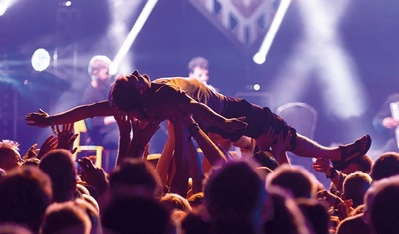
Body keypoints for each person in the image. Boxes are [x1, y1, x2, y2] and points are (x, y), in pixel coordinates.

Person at [25, 70, 371, 171]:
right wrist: (50, 119)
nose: (137, 72)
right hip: (214, 116)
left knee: (277, 134)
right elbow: (88, 110)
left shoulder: (156, 98)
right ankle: (335, 157)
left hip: (217, 112)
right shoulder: (147, 99)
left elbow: (199, 111)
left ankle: (336, 156)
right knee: (277, 135)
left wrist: (228, 124)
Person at [81, 55, 119, 151]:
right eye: (106, 73)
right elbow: (93, 123)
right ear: (95, 73)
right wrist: (115, 117)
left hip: (111, 131)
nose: (109, 76)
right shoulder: (89, 95)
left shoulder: (107, 90)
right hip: (99, 136)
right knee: (122, 139)